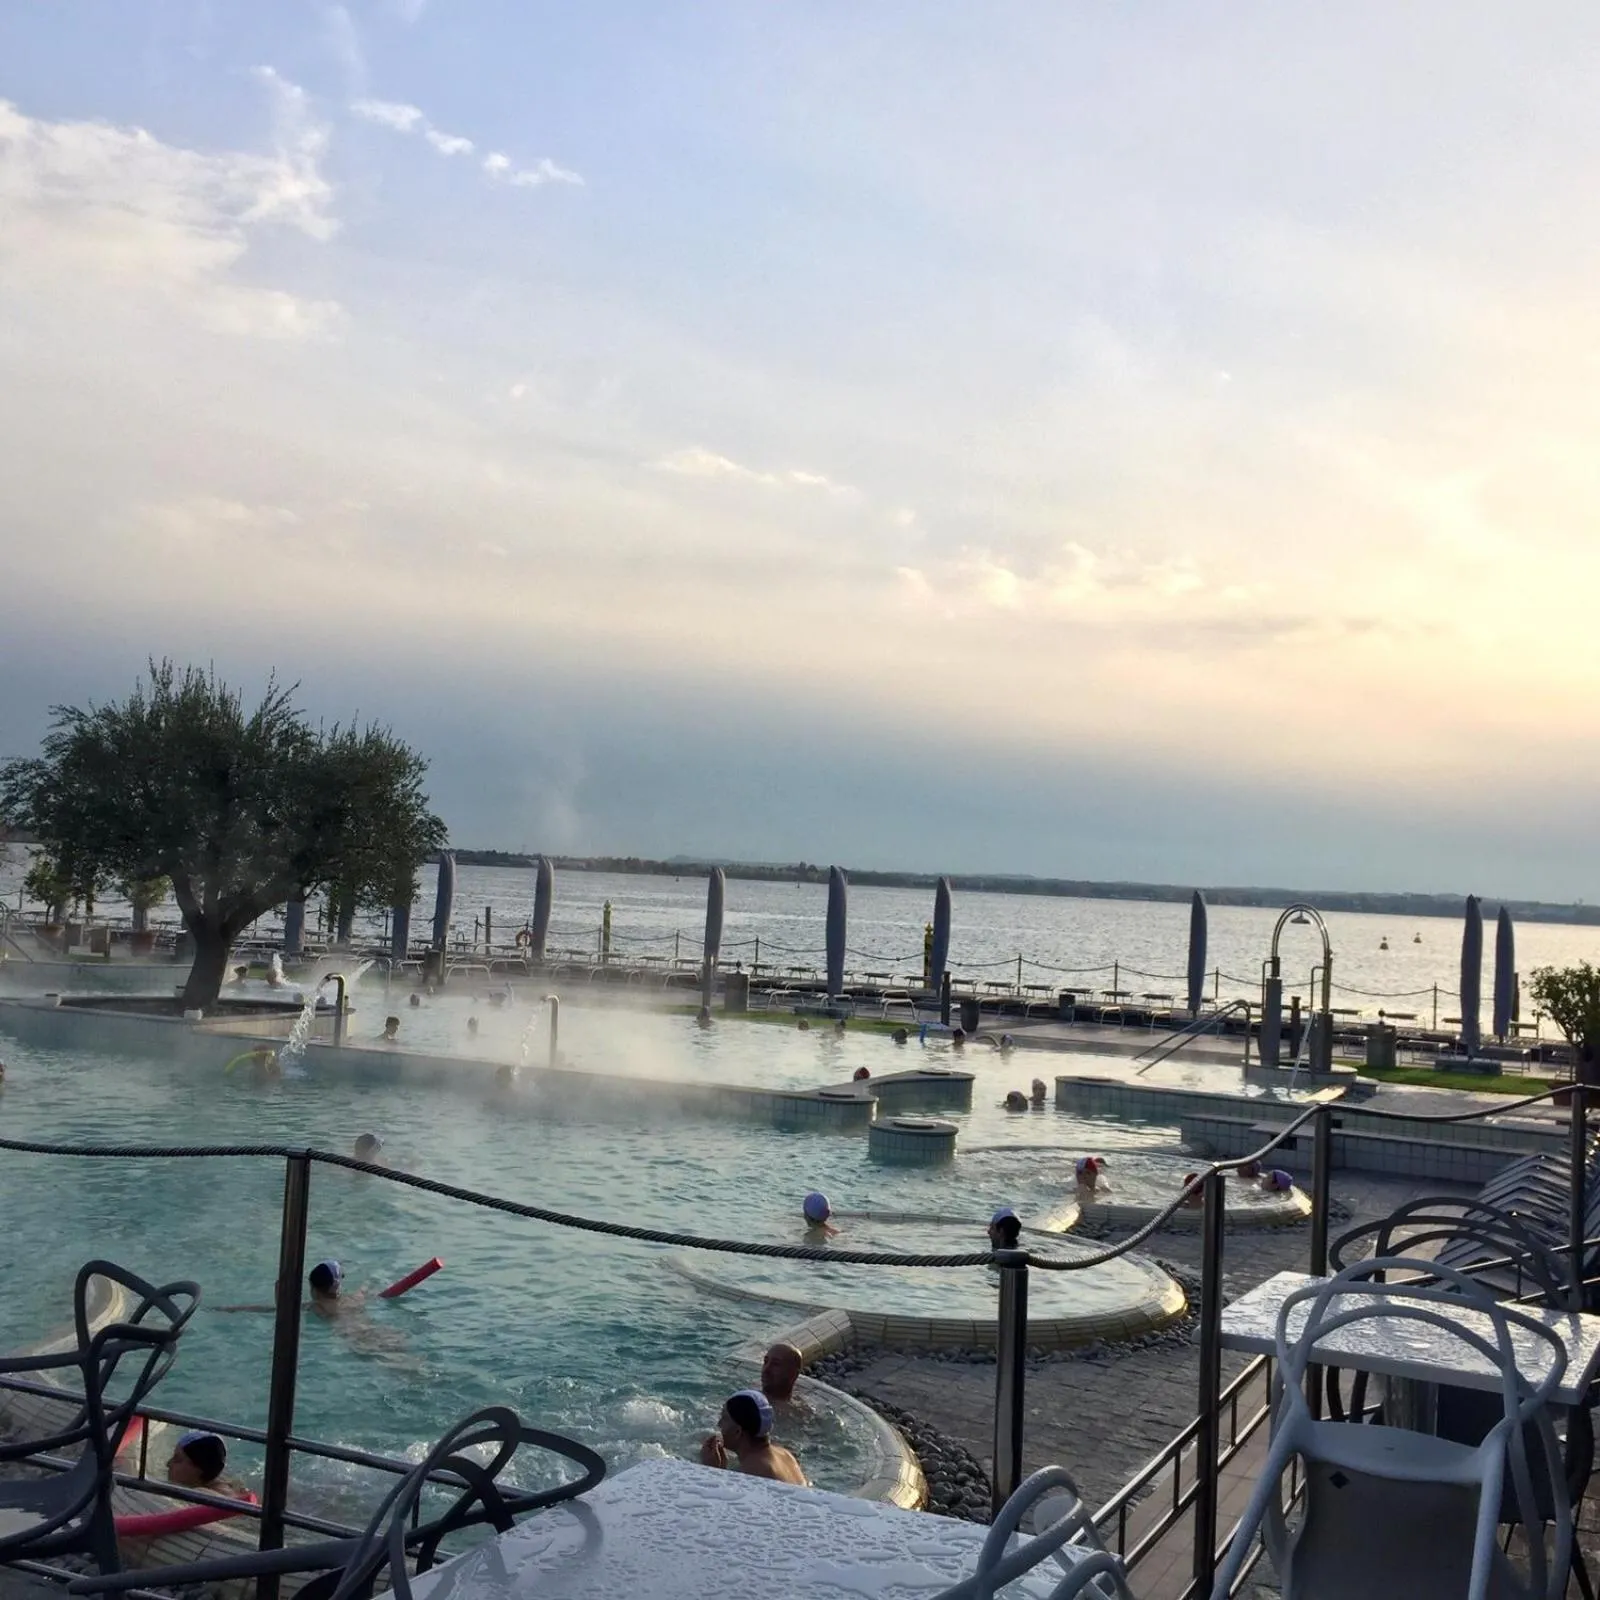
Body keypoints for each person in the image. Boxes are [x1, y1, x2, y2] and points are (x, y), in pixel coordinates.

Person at [698, 1391, 805, 1485]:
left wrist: (713, 1471)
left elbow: (727, 1503)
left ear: (737, 1431)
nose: (719, 1424)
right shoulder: (784, 1454)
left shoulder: (755, 1471)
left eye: (724, 1418)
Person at [166, 1430, 252, 1502]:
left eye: (177, 1460)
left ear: (199, 1468)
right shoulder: (224, 1482)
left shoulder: (202, 1494)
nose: (168, 1464)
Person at [760, 1342, 804, 1407]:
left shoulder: (795, 1414)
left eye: (776, 1364)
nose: (765, 1370)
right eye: (765, 1361)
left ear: (793, 1374)